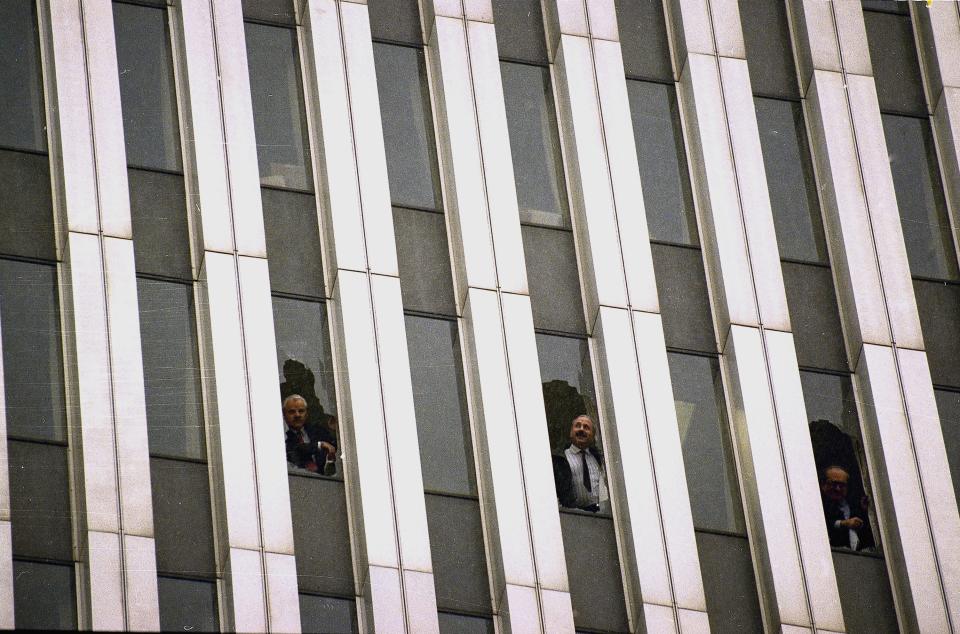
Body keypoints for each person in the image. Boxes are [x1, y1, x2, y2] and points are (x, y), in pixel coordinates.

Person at [552, 414, 609, 513]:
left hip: (599, 516)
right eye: (577, 426)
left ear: (592, 435)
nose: (581, 429)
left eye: (586, 427)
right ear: (571, 432)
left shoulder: (600, 459)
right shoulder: (559, 459)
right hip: (573, 515)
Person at [820, 464, 873, 551]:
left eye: (842, 485)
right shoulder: (819, 504)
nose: (838, 488)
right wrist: (843, 523)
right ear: (823, 485)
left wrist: (864, 511)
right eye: (834, 484)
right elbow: (826, 523)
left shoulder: (852, 504)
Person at [283, 394, 337, 475]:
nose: (297, 415)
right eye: (292, 412)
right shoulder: (283, 436)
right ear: (284, 415)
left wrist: (336, 429)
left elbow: (335, 447)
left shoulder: (318, 431)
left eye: (301, 411)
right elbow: (294, 450)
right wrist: (319, 444)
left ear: (306, 414)